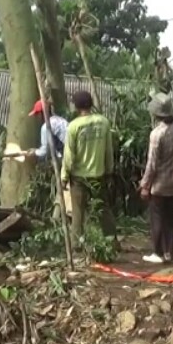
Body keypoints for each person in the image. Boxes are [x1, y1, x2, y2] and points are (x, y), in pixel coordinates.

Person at [140, 94, 173, 264]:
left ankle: (158, 252)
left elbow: (152, 164)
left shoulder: (156, 134)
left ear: (156, 114)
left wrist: (145, 185)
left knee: (157, 216)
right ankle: (171, 251)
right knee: (170, 216)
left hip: (159, 183)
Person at [61, 90, 117, 240]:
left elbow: (69, 155)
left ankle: (76, 246)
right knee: (103, 209)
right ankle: (111, 241)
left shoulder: (73, 126)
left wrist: (64, 176)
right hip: (99, 175)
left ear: (76, 106)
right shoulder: (103, 122)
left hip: (79, 177)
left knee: (77, 213)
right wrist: (109, 171)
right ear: (91, 104)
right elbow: (108, 150)